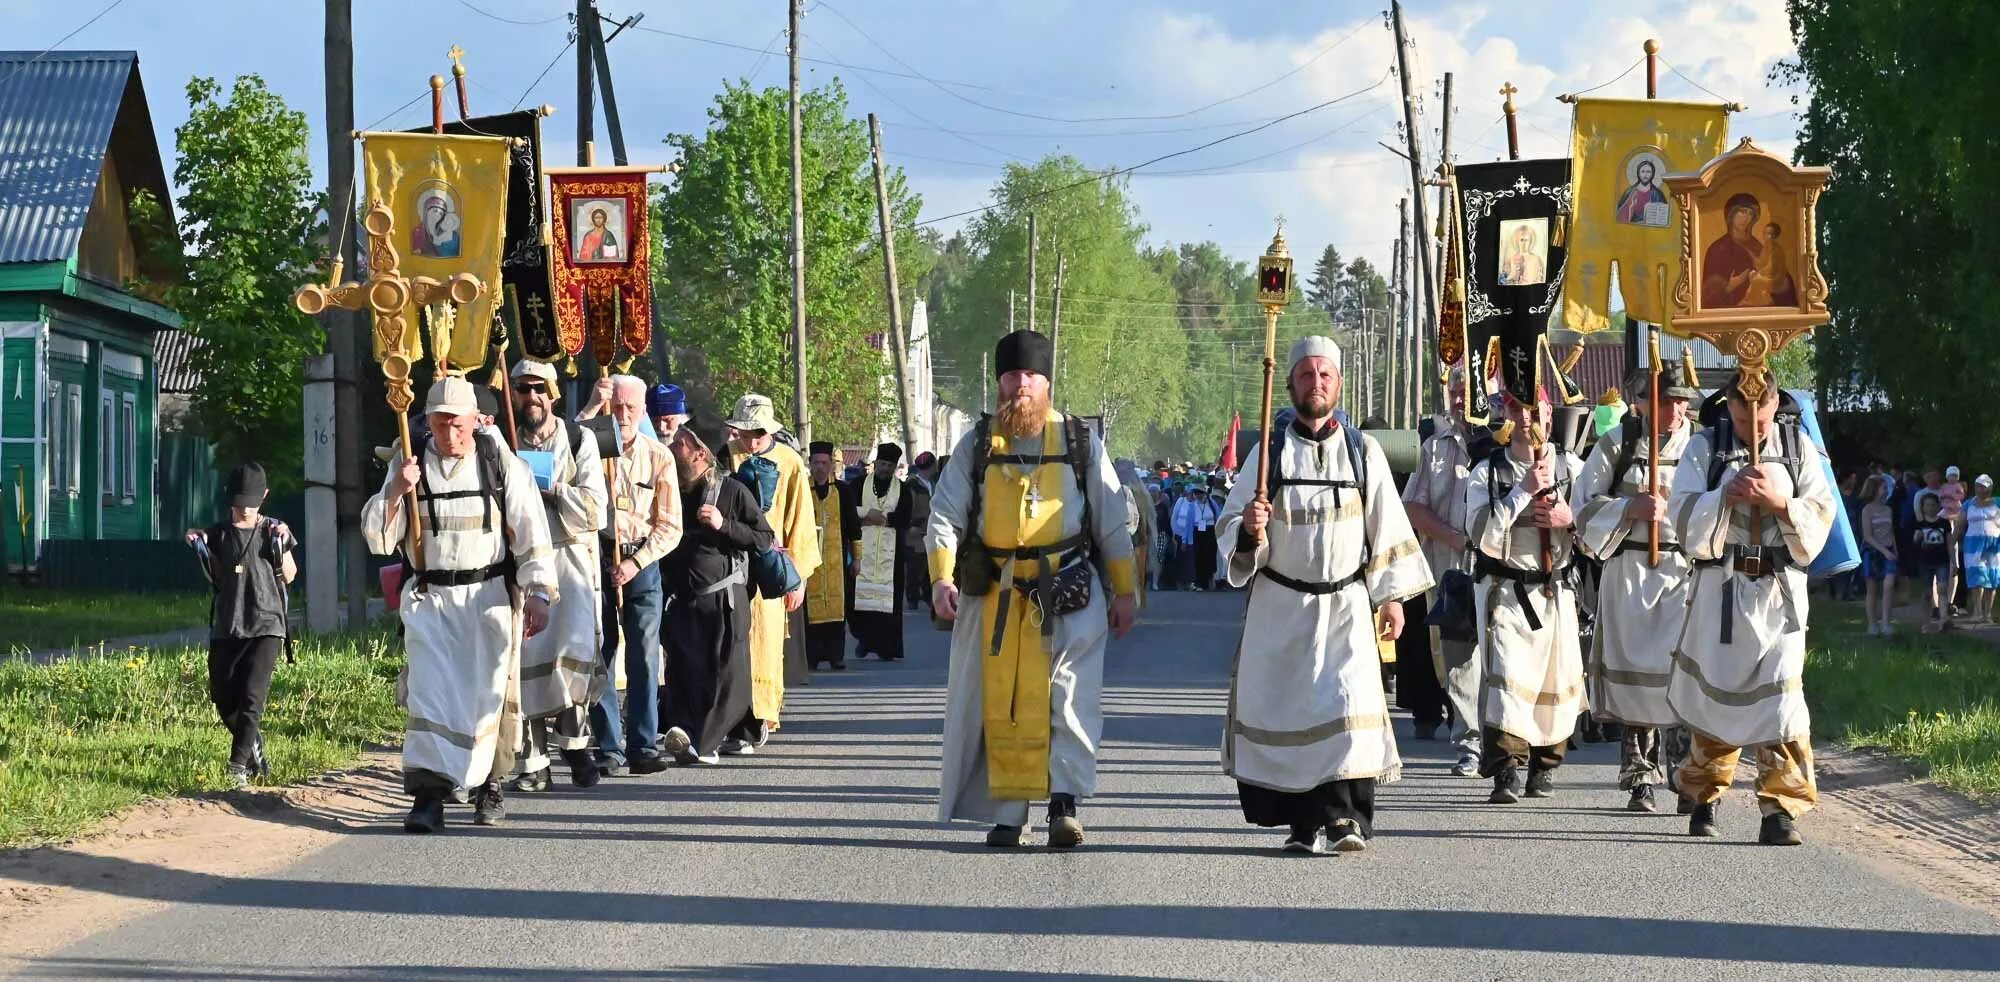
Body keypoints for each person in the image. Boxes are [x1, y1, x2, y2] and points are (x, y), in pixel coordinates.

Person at [1217, 337, 1432, 855]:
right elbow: (1230, 530)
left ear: (1339, 384)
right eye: (1306, 375)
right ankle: (1300, 824)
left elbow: (1386, 527)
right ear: (1290, 383)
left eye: (1325, 376)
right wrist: (1250, 528)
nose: (1316, 384)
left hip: (1345, 609)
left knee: (1345, 709)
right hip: (1281, 609)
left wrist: (1392, 598)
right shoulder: (1267, 455)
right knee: (1292, 716)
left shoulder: (1364, 452)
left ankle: (1345, 820)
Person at [928, 329, 1138, 849]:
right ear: (999, 382)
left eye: (1032, 376)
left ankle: (1064, 805)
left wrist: (1125, 591)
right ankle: (1009, 810)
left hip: (1068, 593)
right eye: (1012, 375)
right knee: (1002, 703)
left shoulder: (1079, 442)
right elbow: (945, 515)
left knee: (1067, 699)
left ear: (1047, 383)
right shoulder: (976, 443)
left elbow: (1112, 520)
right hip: (994, 596)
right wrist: (940, 577)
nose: (1022, 385)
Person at [365, 377, 556, 833]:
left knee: (486, 698)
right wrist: (395, 489)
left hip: (488, 600)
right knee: (430, 696)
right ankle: (428, 797)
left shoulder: (499, 463)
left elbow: (530, 531)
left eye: (459, 424)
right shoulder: (408, 462)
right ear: (428, 422)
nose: (451, 434)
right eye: (441, 423)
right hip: (430, 601)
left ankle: (490, 784)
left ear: (475, 421)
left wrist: (540, 593)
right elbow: (376, 538)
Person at [1669, 372, 1837, 845]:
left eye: (1760, 417)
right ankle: (1704, 798)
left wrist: (1782, 504)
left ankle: (1779, 809)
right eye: (1743, 418)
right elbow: (1680, 517)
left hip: (1778, 591)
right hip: (1721, 588)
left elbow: (1821, 512)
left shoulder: (1797, 444)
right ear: (1729, 409)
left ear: (1773, 404)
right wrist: (1724, 495)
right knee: (1717, 694)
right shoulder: (1706, 448)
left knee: (1782, 702)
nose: (1753, 427)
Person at [1570, 364, 1698, 813]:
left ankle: (1686, 774)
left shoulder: (1700, 447)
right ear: (1643, 403)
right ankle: (1639, 773)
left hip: (1683, 570)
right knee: (1635, 671)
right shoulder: (1617, 445)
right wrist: (1629, 507)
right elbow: (1582, 507)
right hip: (1630, 568)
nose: (1676, 410)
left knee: (1683, 672)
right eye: (1667, 401)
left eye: (1681, 401)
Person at [1466, 386, 1584, 804]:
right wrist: (1522, 493)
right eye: (1521, 411)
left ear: (1550, 416)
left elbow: (1592, 529)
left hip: (1555, 591)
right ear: (1510, 418)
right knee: (1507, 680)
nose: (1531, 419)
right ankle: (1506, 769)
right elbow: (1479, 535)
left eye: (1538, 410)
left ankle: (1545, 765)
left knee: (1555, 677)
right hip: (1507, 591)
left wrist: (1568, 519)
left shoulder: (1571, 468)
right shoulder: (1487, 472)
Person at [507, 360, 608, 792]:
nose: (532, 398)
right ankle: (533, 765)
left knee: (572, 660)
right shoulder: (504, 442)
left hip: (570, 563)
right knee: (523, 662)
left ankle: (577, 750)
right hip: (525, 562)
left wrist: (553, 490)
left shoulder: (580, 439)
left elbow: (596, 510)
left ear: (552, 393)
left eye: (538, 389)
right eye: (523, 390)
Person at [660, 427, 774, 765]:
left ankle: (706, 742)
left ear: (700, 452)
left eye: (679, 443)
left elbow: (763, 538)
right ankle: (690, 732)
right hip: (682, 599)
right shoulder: (671, 491)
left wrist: (724, 524)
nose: (671, 447)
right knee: (683, 669)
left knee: (726, 673)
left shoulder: (733, 491)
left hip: (725, 600)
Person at [591, 375, 683, 776]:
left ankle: (643, 744)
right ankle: (608, 745)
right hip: (598, 559)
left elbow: (671, 526)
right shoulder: (592, 447)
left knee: (645, 653)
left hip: (641, 564)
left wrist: (635, 562)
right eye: (617, 407)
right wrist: (594, 404)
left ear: (644, 411)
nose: (623, 415)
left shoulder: (659, 456)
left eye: (631, 408)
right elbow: (559, 448)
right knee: (602, 650)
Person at [185, 463, 297, 789]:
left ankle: (237, 767)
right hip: (228, 624)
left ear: (264, 496)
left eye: (251, 502)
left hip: (267, 623)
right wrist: (197, 543)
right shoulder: (219, 533)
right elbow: (216, 574)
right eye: (238, 503)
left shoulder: (273, 531)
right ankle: (254, 746)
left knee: (252, 696)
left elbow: (289, 575)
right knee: (223, 696)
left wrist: (283, 543)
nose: (245, 510)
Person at [726, 393, 820, 751]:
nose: (751, 440)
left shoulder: (789, 462)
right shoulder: (726, 456)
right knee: (730, 640)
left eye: (758, 432)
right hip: (730, 563)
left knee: (763, 641)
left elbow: (802, 522)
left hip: (769, 563)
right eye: (745, 432)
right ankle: (729, 716)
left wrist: (798, 577)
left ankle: (760, 715)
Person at [1401, 364, 1481, 767]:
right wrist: (1451, 536)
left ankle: (1500, 743)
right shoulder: (1434, 447)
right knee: (1457, 659)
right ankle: (1469, 741)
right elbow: (1412, 506)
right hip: (1448, 571)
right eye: (1455, 392)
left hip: (1495, 572)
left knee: (1498, 656)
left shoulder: (1498, 442)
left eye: (1467, 392)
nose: (1460, 399)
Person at [851, 443, 914, 661]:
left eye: (889, 465)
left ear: (895, 467)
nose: (885, 469)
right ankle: (864, 641)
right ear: (875, 463)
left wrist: (886, 519)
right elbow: (848, 509)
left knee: (890, 602)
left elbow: (906, 517)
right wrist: (867, 514)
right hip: (862, 550)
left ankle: (888, 647)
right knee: (860, 599)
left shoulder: (903, 489)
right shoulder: (859, 484)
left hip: (892, 553)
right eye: (882, 464)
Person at [803, 441, 860, 671]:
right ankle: (812, 656)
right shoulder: (803, 489)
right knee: (810, 610)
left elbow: (854, 526)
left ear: (831, 465)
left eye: (824, 463)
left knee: (838, 609)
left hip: (838, 559)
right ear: (810, 464)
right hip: (809, 559)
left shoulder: (843, 490)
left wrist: (857, 558)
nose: (820, 467)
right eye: (816, 463)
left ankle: (836, 655)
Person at [1859, 475, 1898, 636]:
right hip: (1872, 552)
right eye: (1884, 487)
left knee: (1889, 586)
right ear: (1875, 489)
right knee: (1872, 589)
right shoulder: (1867, 510)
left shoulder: (1888, 509)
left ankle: (1886, 623)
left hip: (1889, 550)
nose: (1886, 491)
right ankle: (1872, 624)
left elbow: (1891, 531)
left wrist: (1895, 550)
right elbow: (1867, 536)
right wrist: (1884, 551)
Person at [1912, 494, 1954, 633]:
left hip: (1942, 560)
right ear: (1923, 507)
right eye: (1927, 505)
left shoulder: (1944, 523)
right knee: (1927, 593)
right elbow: (1914, 542)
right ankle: (1926, 622)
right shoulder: (1919, 524)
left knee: (1942, 588)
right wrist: (1917, 538)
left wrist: (1953, 561)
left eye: (1932, 504)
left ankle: (1943, 619)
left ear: (1938, 506)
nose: (1930, 507)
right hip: (1925, 561)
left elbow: (1949, 543)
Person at [904, 452, 939, 611]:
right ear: (931, 466)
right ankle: (912, 597)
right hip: (915, 532)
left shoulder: (933, 483)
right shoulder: (912, 485)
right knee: (914, 567)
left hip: (930, 530)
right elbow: (906, 507)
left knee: (928, 567)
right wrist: (909, 525)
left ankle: (927, 596)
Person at [1964, 475, 2000, 623]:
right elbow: (1960, 524)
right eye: (1978, 486)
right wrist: (1952, 541)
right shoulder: (1968, 504)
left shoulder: (1998, 502)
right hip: (1973, 545)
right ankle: (1977, 612)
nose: (1981, 489)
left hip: (1994, 545)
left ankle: (1988, 614)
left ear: (1990, 488)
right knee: (1977, 576)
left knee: (1992, 578)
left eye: (1984, 486)